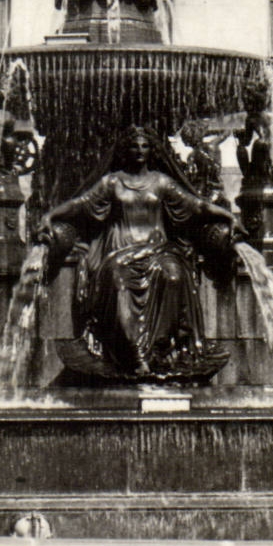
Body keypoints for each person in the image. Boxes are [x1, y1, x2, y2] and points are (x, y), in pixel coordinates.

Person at [39, 126, 240, 380]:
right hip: (120, 252)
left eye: (145, 146)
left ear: (152, 150)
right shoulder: (112, 182)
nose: (140, 151)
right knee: (117, 282)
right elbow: (81, 204)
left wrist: (228, 216)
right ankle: (136, 356)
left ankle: (161, 352)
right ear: (125, 150)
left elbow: (196, 205)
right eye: (135, 146)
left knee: (175, 276)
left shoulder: (161, 182)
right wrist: (51, 215)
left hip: (159, 250)